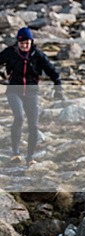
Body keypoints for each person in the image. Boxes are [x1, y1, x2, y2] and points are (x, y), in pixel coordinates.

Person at [0, 27, 63, 166]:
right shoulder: (10, 52)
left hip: (31, 93)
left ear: (31, 42)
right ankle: (15, 153)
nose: (24, 46)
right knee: (19, 117)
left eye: (27, 43)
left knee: (34, 126)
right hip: (14, 91)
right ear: (18, 42)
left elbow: (52, 71)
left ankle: (30, 157)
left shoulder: (37, 55)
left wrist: (58, 86)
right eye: (22, 43)